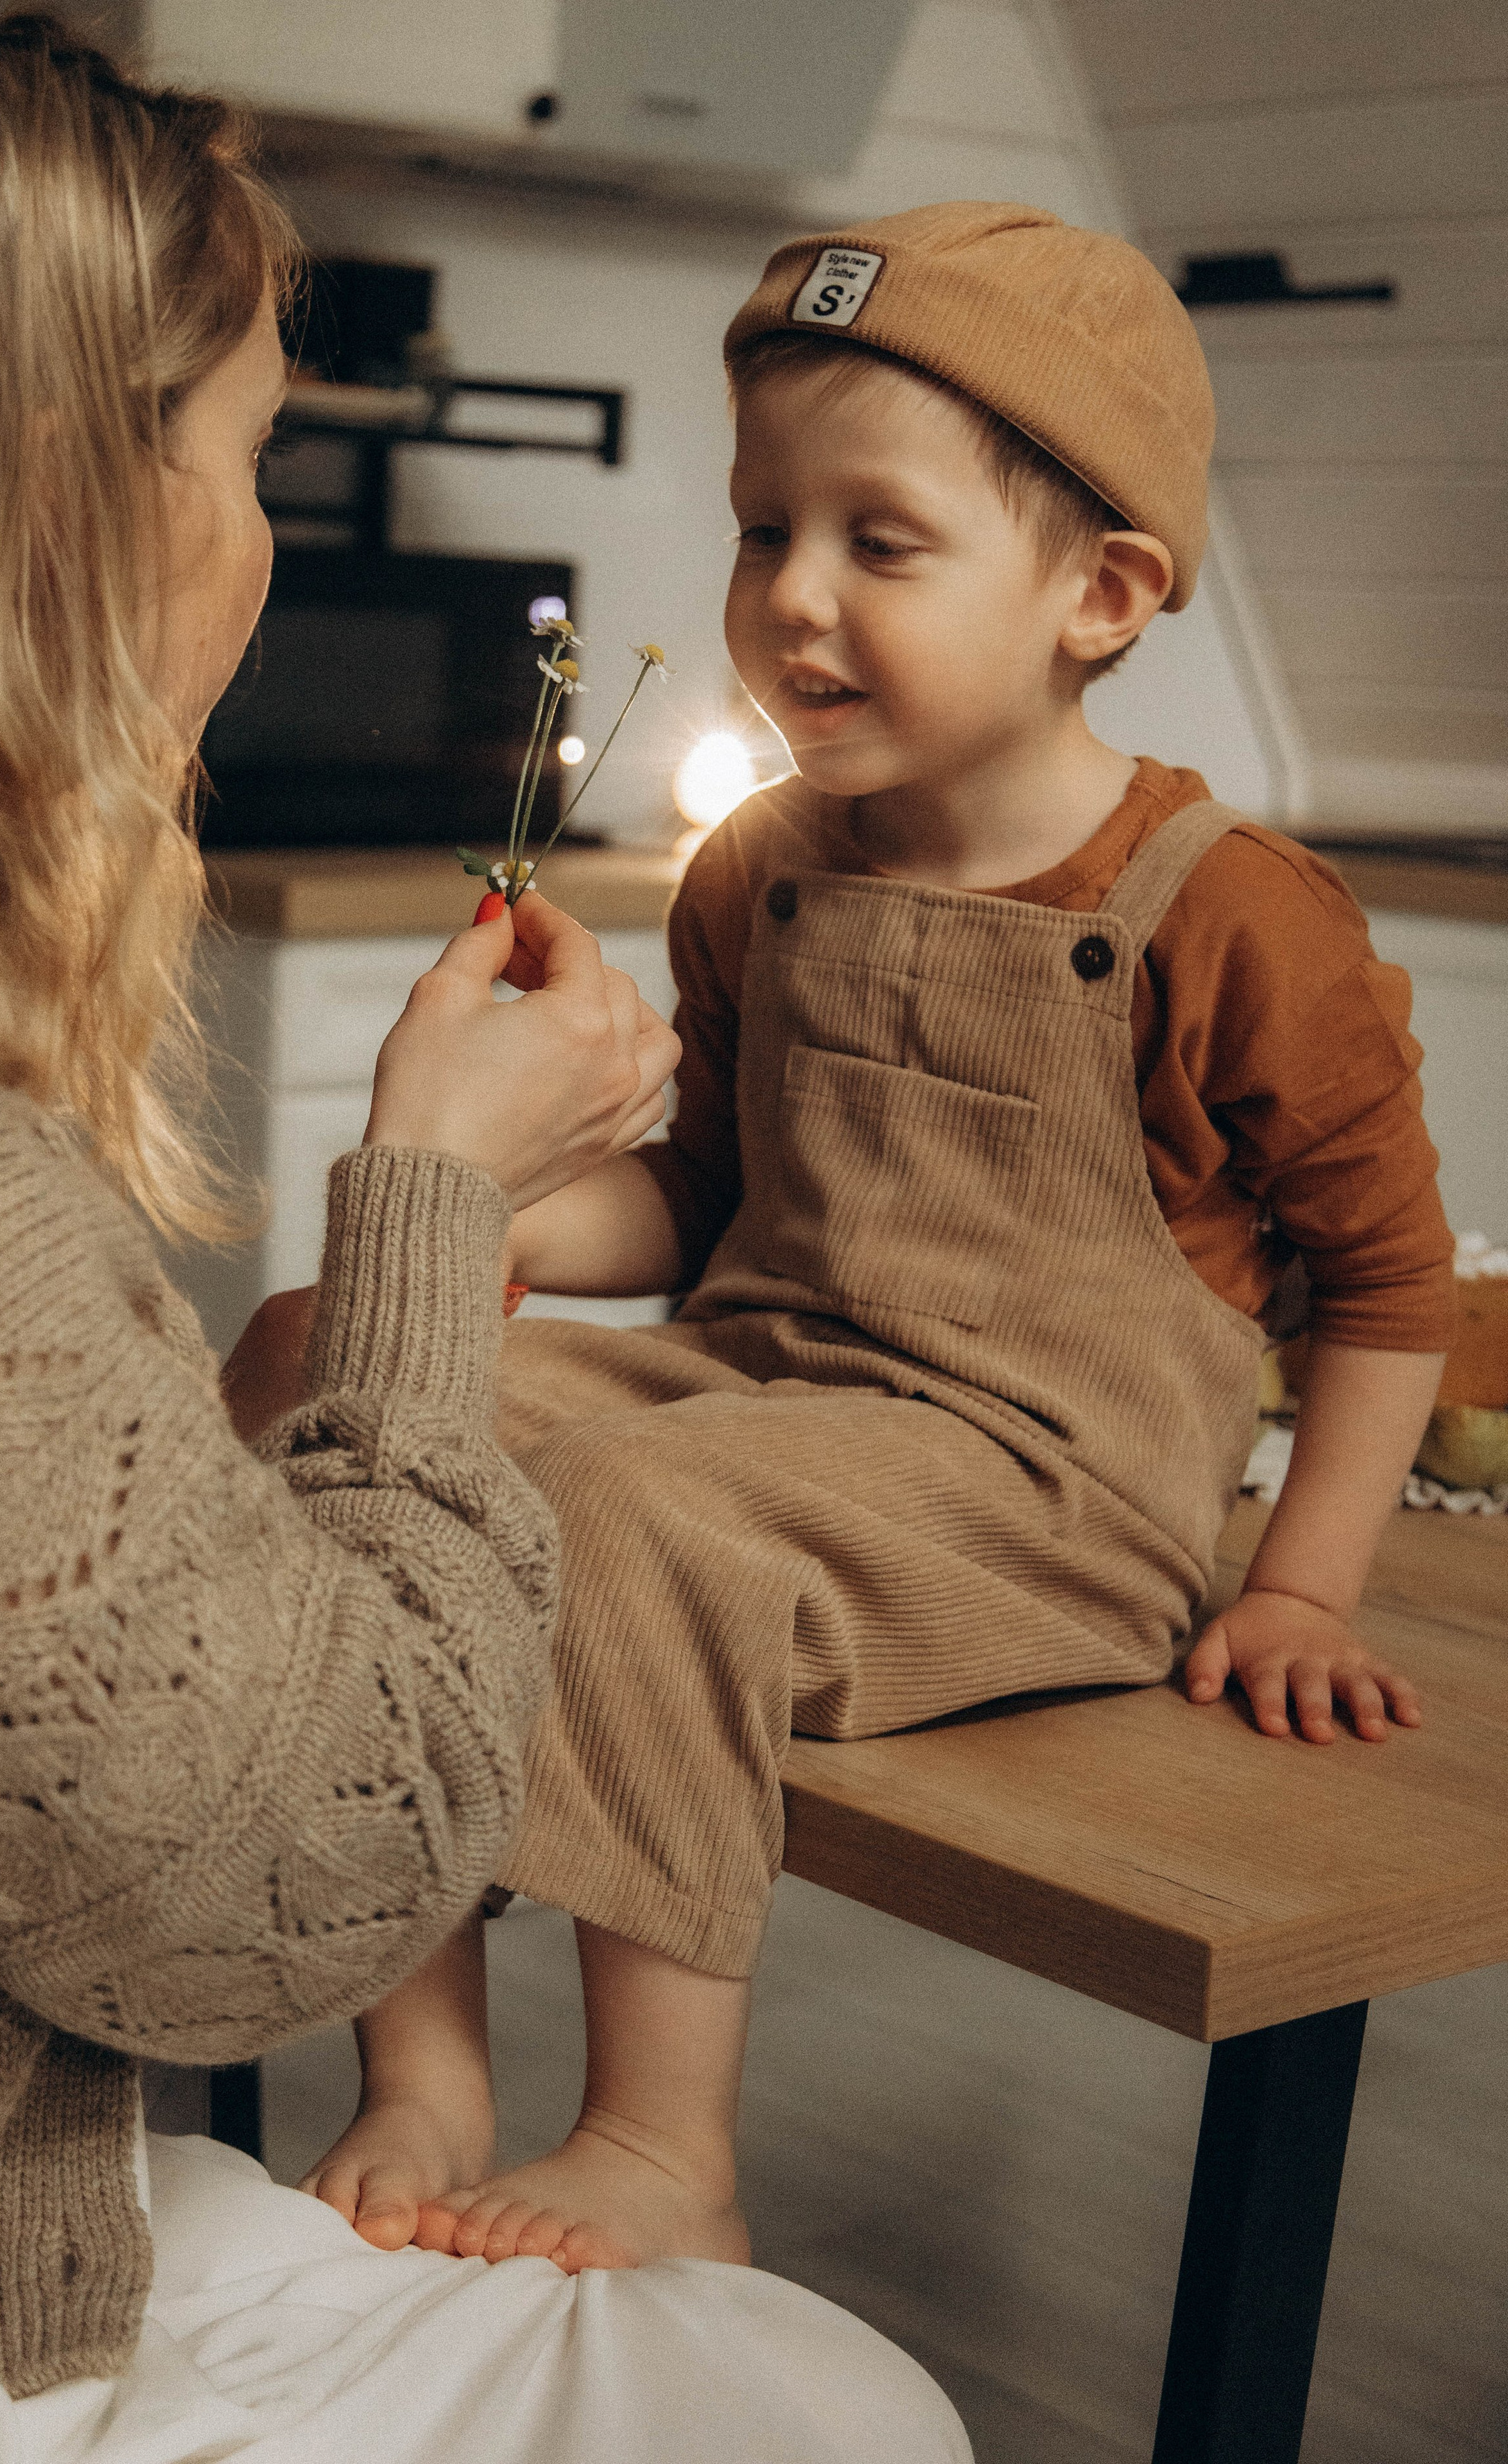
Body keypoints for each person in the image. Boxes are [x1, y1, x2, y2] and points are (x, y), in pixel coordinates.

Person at [0, 10, 971, 2464]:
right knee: (839, 2413)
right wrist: (438, 1202)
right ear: (65, 505)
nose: (260, 534)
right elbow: (270, 1901)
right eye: (248, 449)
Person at [306, 203, 1457, 2278]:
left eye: (880, 543)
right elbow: (720, 1206)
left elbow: (1387, 1284)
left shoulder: (1231, 908)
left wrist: (1298, 1586)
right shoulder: (759, 868)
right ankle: (425, 2063)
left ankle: (665, 2149)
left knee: (647, 1520)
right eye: (765, 529)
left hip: (1048, 1497)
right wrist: (484, 1220)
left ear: (1097, 594)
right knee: (333, 1367)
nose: (789, 601)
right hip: (767, 1379)